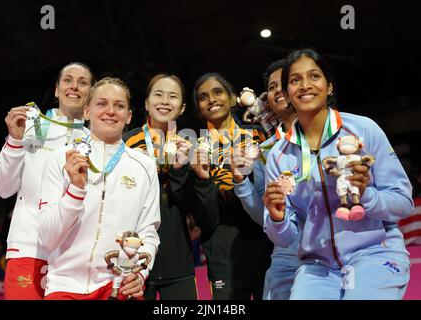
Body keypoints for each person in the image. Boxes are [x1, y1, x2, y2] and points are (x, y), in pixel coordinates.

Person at [263, 48, 413, 299]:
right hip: (317, 267)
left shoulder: (363, 129)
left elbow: (404, 203)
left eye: (314, 76)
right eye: (295, 80)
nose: (305, 85)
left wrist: (366, 197)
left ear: (329, 86)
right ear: (288, 94)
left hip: (374, 253)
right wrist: (277, 219)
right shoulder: (278, 155)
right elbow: (285, 237)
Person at [38, 77, 160, 300]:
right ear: (86, 111)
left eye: (119, 105)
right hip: (64, 285)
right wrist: (75, 190)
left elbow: (148, 232)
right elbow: (47, 238)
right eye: (102, 103)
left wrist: (141, 273)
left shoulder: (145, 166)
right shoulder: (60, 159)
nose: (110, 111)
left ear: (129, 116)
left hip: (118, 286)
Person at [0, 62, 94, 299]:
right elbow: (2, 189)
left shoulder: (94, 142)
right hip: (29, 250)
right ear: (57, 89)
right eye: (68, 80)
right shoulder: (29, 128)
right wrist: (15, 142)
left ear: (91, 93)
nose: (75, 87)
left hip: (74, 258)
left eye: (83, 82)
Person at [191, 73, 273, 300]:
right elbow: (203, 214)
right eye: (203, 97)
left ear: (233, 98)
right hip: (222, 252)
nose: (212, 100)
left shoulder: (258, 135)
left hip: (264, 245)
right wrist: (202, 180)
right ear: (199, 108)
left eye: (218, 92)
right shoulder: (194, 148)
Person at [124, 74, 205, 300]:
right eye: (158, 94)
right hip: (135, 258)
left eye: (173, 96)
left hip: (178, 257)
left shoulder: (189, 145)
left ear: (182, 108)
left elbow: (191, 206)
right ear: (147, 103)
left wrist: (180, 170)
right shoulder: (126, 142)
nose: (165, 101)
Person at [231, 59, 301, 300]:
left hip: (337, 256)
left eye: (286, 82)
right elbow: (263, 215)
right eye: (272, 87)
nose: (278, 90)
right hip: (287, 258)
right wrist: (241, 182)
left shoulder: (340, 132)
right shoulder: (265, 151)